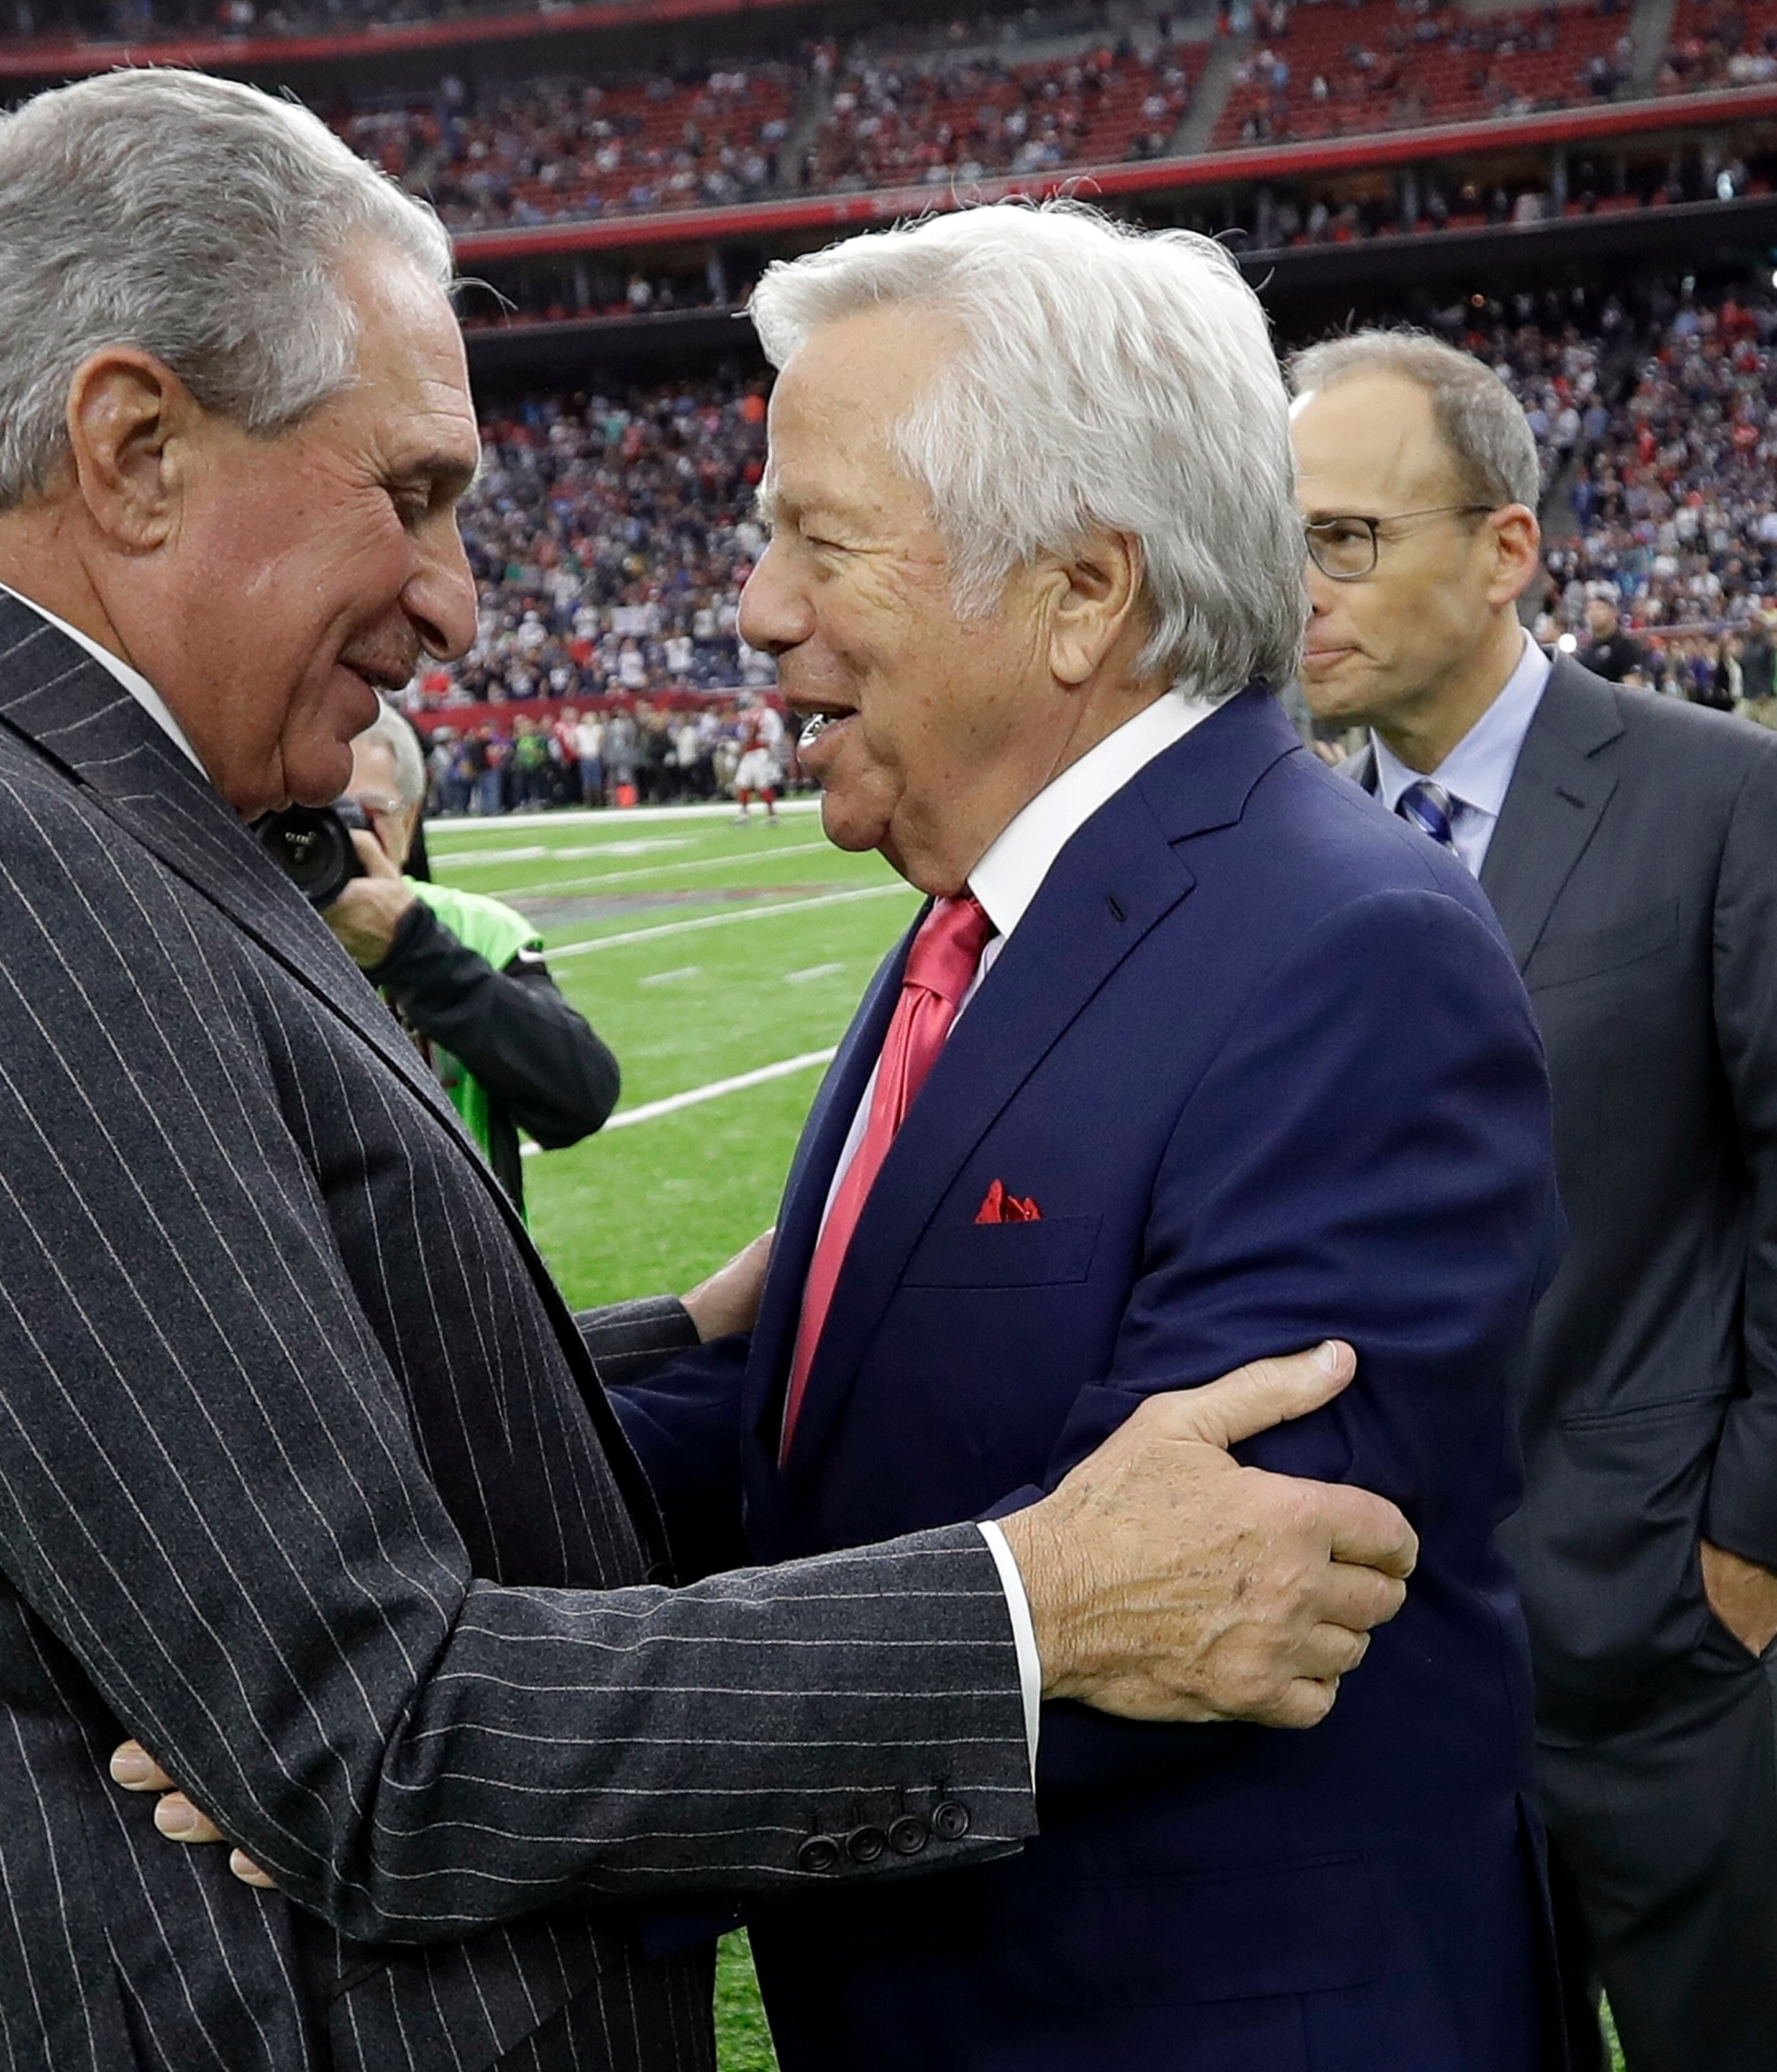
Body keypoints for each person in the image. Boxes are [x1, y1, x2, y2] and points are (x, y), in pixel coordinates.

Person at [0, 73, 1420, 2072]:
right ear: (131, 448)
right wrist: (1032, 1610)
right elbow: (366, 1746)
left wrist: (713, 1348)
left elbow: (211, 1400)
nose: (457, 599)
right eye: (414, 492)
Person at [554, 203, 1563, 2071]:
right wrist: (383, 1557)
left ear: (1078, 594)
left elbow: (1199, 1605)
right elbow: (830, 1431)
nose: (757, 605)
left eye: (817, 539)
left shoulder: (1344, 955)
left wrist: (513, 1741)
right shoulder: (984, 915)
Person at [1290, 328, 1777, 2072]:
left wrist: (1748, 1537)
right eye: (1284, 540)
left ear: (1505, 550)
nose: (1300, 588)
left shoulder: (1723, 794)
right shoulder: (1296, 841)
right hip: (1398, 1669)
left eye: (1344, 538)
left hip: (1674, 1634)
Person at [323, 702, 616, 1208]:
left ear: (410, 820)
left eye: (366, 815)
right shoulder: (238, 927)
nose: (344, 838)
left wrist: (416, 951)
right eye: (320, 816)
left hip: (468, 1272)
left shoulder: (473, 929)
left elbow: (580, 1098)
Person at [1575, 590, 1646, 683]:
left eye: (1600, 608)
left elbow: (1633, 688)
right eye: (1589, 609)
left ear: (1614, 612)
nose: (1594, 613)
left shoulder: (1626, 647)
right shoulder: (1585, 651)